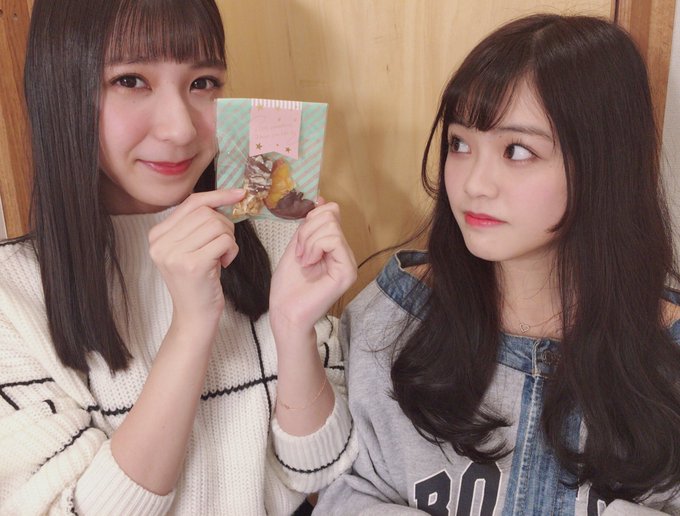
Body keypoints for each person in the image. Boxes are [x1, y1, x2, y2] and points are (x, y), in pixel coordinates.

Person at [0, 0, 357, 514]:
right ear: (62, 89)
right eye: (130, 81)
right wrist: (190, 327)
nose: (181, 129)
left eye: (203, 82)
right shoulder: (12, 296)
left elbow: (319, 471)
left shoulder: (275, 237)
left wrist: (292, 326)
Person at [315, 13, 680, 516]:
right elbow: (340, 490)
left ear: (604, 162)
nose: (473, 183)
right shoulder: (395, 317)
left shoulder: (666, 358)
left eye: (517, 150)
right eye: (460, 144)